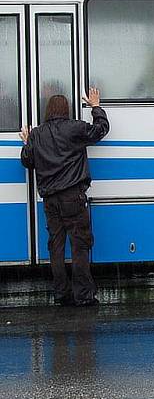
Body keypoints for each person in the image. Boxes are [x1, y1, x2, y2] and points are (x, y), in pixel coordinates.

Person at [19, 88, 109, 306]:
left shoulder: (37, 134)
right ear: (66, 110)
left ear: (47, 111)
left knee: (56, 247)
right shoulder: (74, 128)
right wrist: (96, 107)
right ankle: (84, 296)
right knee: (80, 246)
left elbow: (27, 162)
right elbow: (100, 130)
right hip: (73, 196)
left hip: (50, 200)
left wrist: (27, 143)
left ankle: (62, 295)